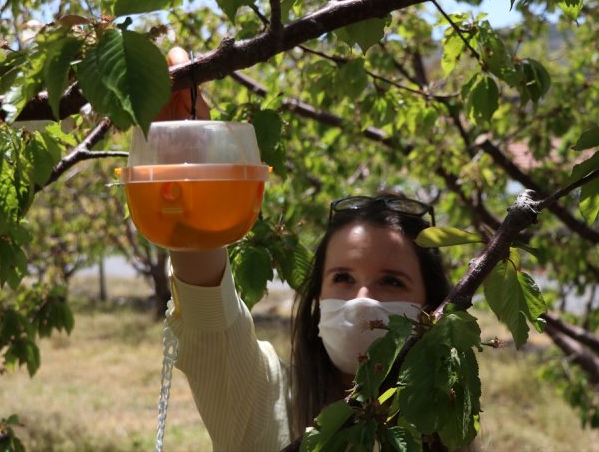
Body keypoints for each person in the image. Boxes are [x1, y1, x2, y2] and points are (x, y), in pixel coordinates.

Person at [158, 48, 452, 450]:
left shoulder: (447, 428)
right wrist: (187, 157)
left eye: (392, 282)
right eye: (343, 278)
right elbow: (209, 313)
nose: (362, 301)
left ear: (431, 312)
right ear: (317, 301)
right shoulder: (265, 401)